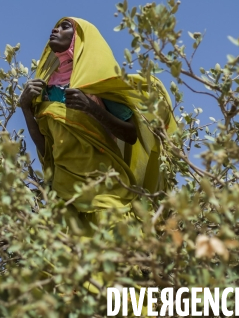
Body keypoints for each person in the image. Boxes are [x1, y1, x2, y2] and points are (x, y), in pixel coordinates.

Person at [19, 17, 176, 238]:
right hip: (65, 192)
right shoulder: (44, 89)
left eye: (66, 27)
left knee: (118, 256)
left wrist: (91, 108)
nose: (55, 29)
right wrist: (26, 108)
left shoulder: (98, 85)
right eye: (57, 25)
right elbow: (46, 147)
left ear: (81, 40)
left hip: (105, 189)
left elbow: (130, 134)